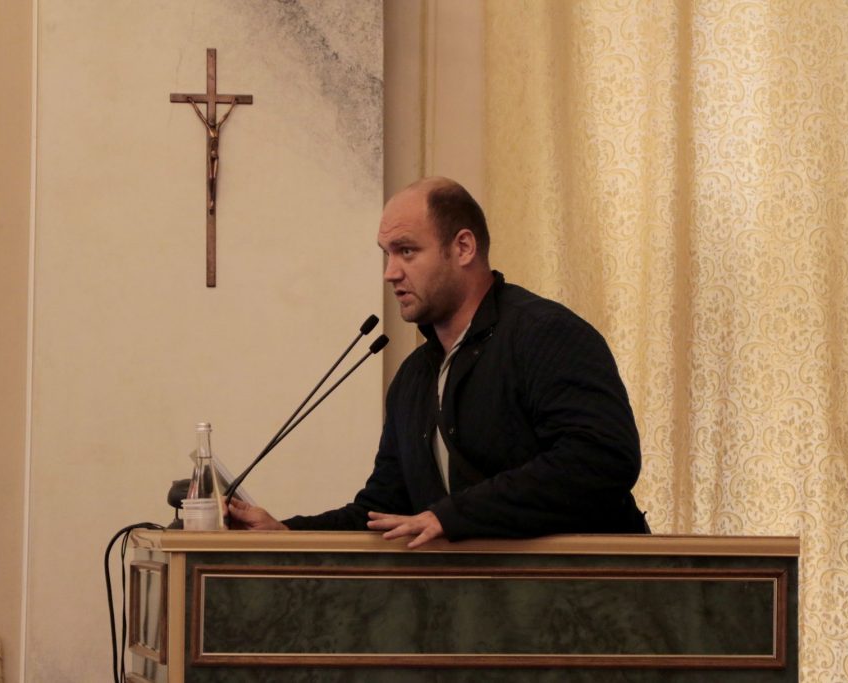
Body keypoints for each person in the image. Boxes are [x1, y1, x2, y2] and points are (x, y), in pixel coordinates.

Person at [229, 177, 647, 547]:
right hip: (470, 600)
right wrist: (288, 534)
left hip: (586, 592)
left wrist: (451, 516)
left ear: (463, 247)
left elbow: (601, 459)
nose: (390, 272)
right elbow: (386, 509)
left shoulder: (545, 333)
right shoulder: (414, 377)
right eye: (387, 254)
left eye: (406, 251)